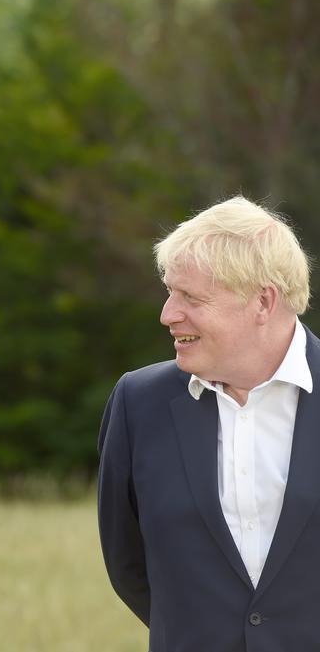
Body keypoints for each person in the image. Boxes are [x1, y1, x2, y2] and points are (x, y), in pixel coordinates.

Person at [98, 197, 320, 651]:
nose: (168, 314)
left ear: (263, 301)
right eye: (170, 291)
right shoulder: (138, 403)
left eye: (191, 297)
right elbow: (127, 564)